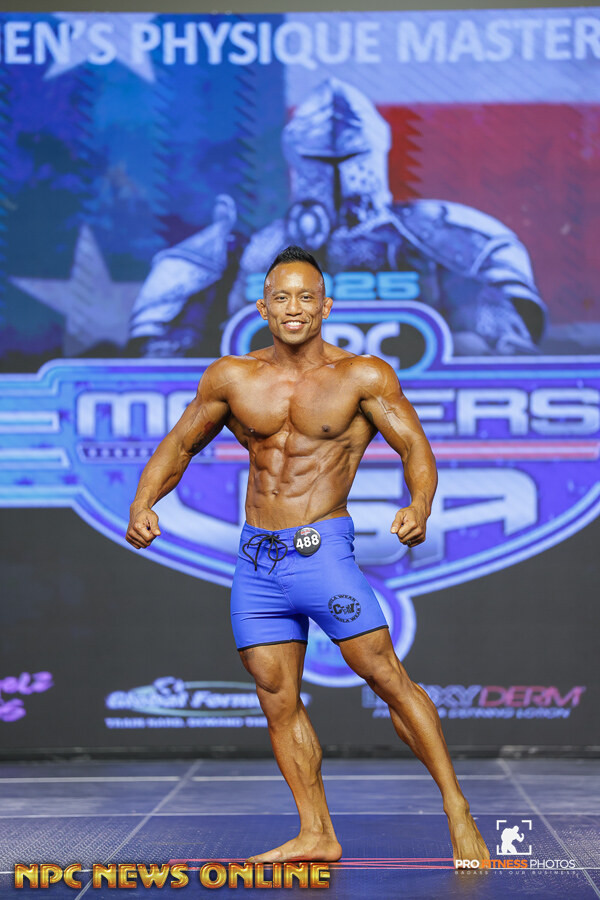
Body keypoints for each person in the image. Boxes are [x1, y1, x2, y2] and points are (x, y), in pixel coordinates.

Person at [126, 244, 490, 865]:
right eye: (282, 297)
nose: (293, 308)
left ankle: (457, 809)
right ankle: (316, 831)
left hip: (322, 553)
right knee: (276, 695)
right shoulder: (231, 377)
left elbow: (414, 446)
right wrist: (143, 502)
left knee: (385, 676)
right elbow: (180, 445)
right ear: (262, 307)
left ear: (326, 306)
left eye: (305, 297)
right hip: (257, 561)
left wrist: (419, 505)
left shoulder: (362, 376)